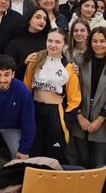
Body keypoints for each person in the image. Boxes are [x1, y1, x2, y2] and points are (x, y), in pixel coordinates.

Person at [24, 28, 81, 163]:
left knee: (54, 156)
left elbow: (75, 99)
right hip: (35, 111)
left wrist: (66, 119)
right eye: (50, 41)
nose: (53, 45)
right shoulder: (34, 61)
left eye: (57, 42)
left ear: (65, 45)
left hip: (55, 112)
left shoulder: (69, 68)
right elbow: (25, 88)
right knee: (34, 154)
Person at [70, 27, 106, 168]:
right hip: (80, 118)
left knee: (99, 164)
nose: (98, 44)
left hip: (104, 121)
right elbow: (73, 89)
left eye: (102, 41)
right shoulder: (80, 60)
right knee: (81, 161)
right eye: (94, 41)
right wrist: (79, 115)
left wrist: (100, 119)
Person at [5, 6, 50, 81]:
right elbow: (7, 70)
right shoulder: (15, 43)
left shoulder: (49, 41)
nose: (42, 21)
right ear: (29, 19)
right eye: (38, 17)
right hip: (21, 84)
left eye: (45, 19)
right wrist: (25, 63)